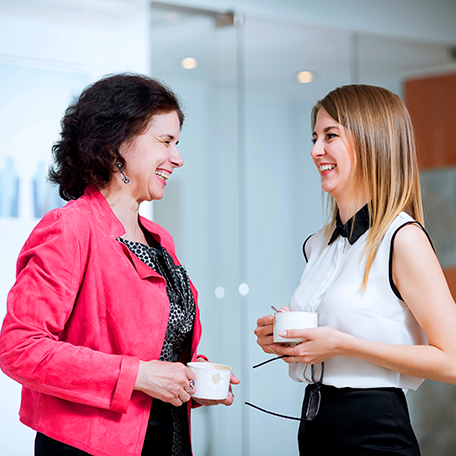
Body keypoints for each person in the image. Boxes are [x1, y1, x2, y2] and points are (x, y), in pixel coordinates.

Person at [0, 73, 239, 456]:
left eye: (177, 143)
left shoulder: (160, 240)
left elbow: (156, 348)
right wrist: (139, 375)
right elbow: (20, 348)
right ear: (116, 145)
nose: (177, 158)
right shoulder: (71, 228)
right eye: (165, 142)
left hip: (166, 440)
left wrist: (189, 377)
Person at [254, 84, 456, 455]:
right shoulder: (318, 244)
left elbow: (452, 359)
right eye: (315, 137)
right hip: (316, 426)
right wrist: (287, 342)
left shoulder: (403, 238)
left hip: (374, 433)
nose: (316, 151)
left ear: (371, 143)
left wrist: (343, 343)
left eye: (331, 136)